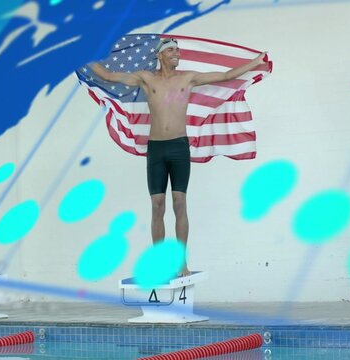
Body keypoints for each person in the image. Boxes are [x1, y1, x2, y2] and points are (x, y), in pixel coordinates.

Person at [88, 38, 267, 277]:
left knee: (180, 202)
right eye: (171, 50)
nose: (177, 53)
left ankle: (181, 262)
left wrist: (255, 62)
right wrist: (82, 57)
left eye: (178, 50)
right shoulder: (145, 78)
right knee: (157, 205)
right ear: (160, 55)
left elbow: (226, 76)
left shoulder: (188, 78)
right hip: (156, 149)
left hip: (179, 147)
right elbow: (108, 76)